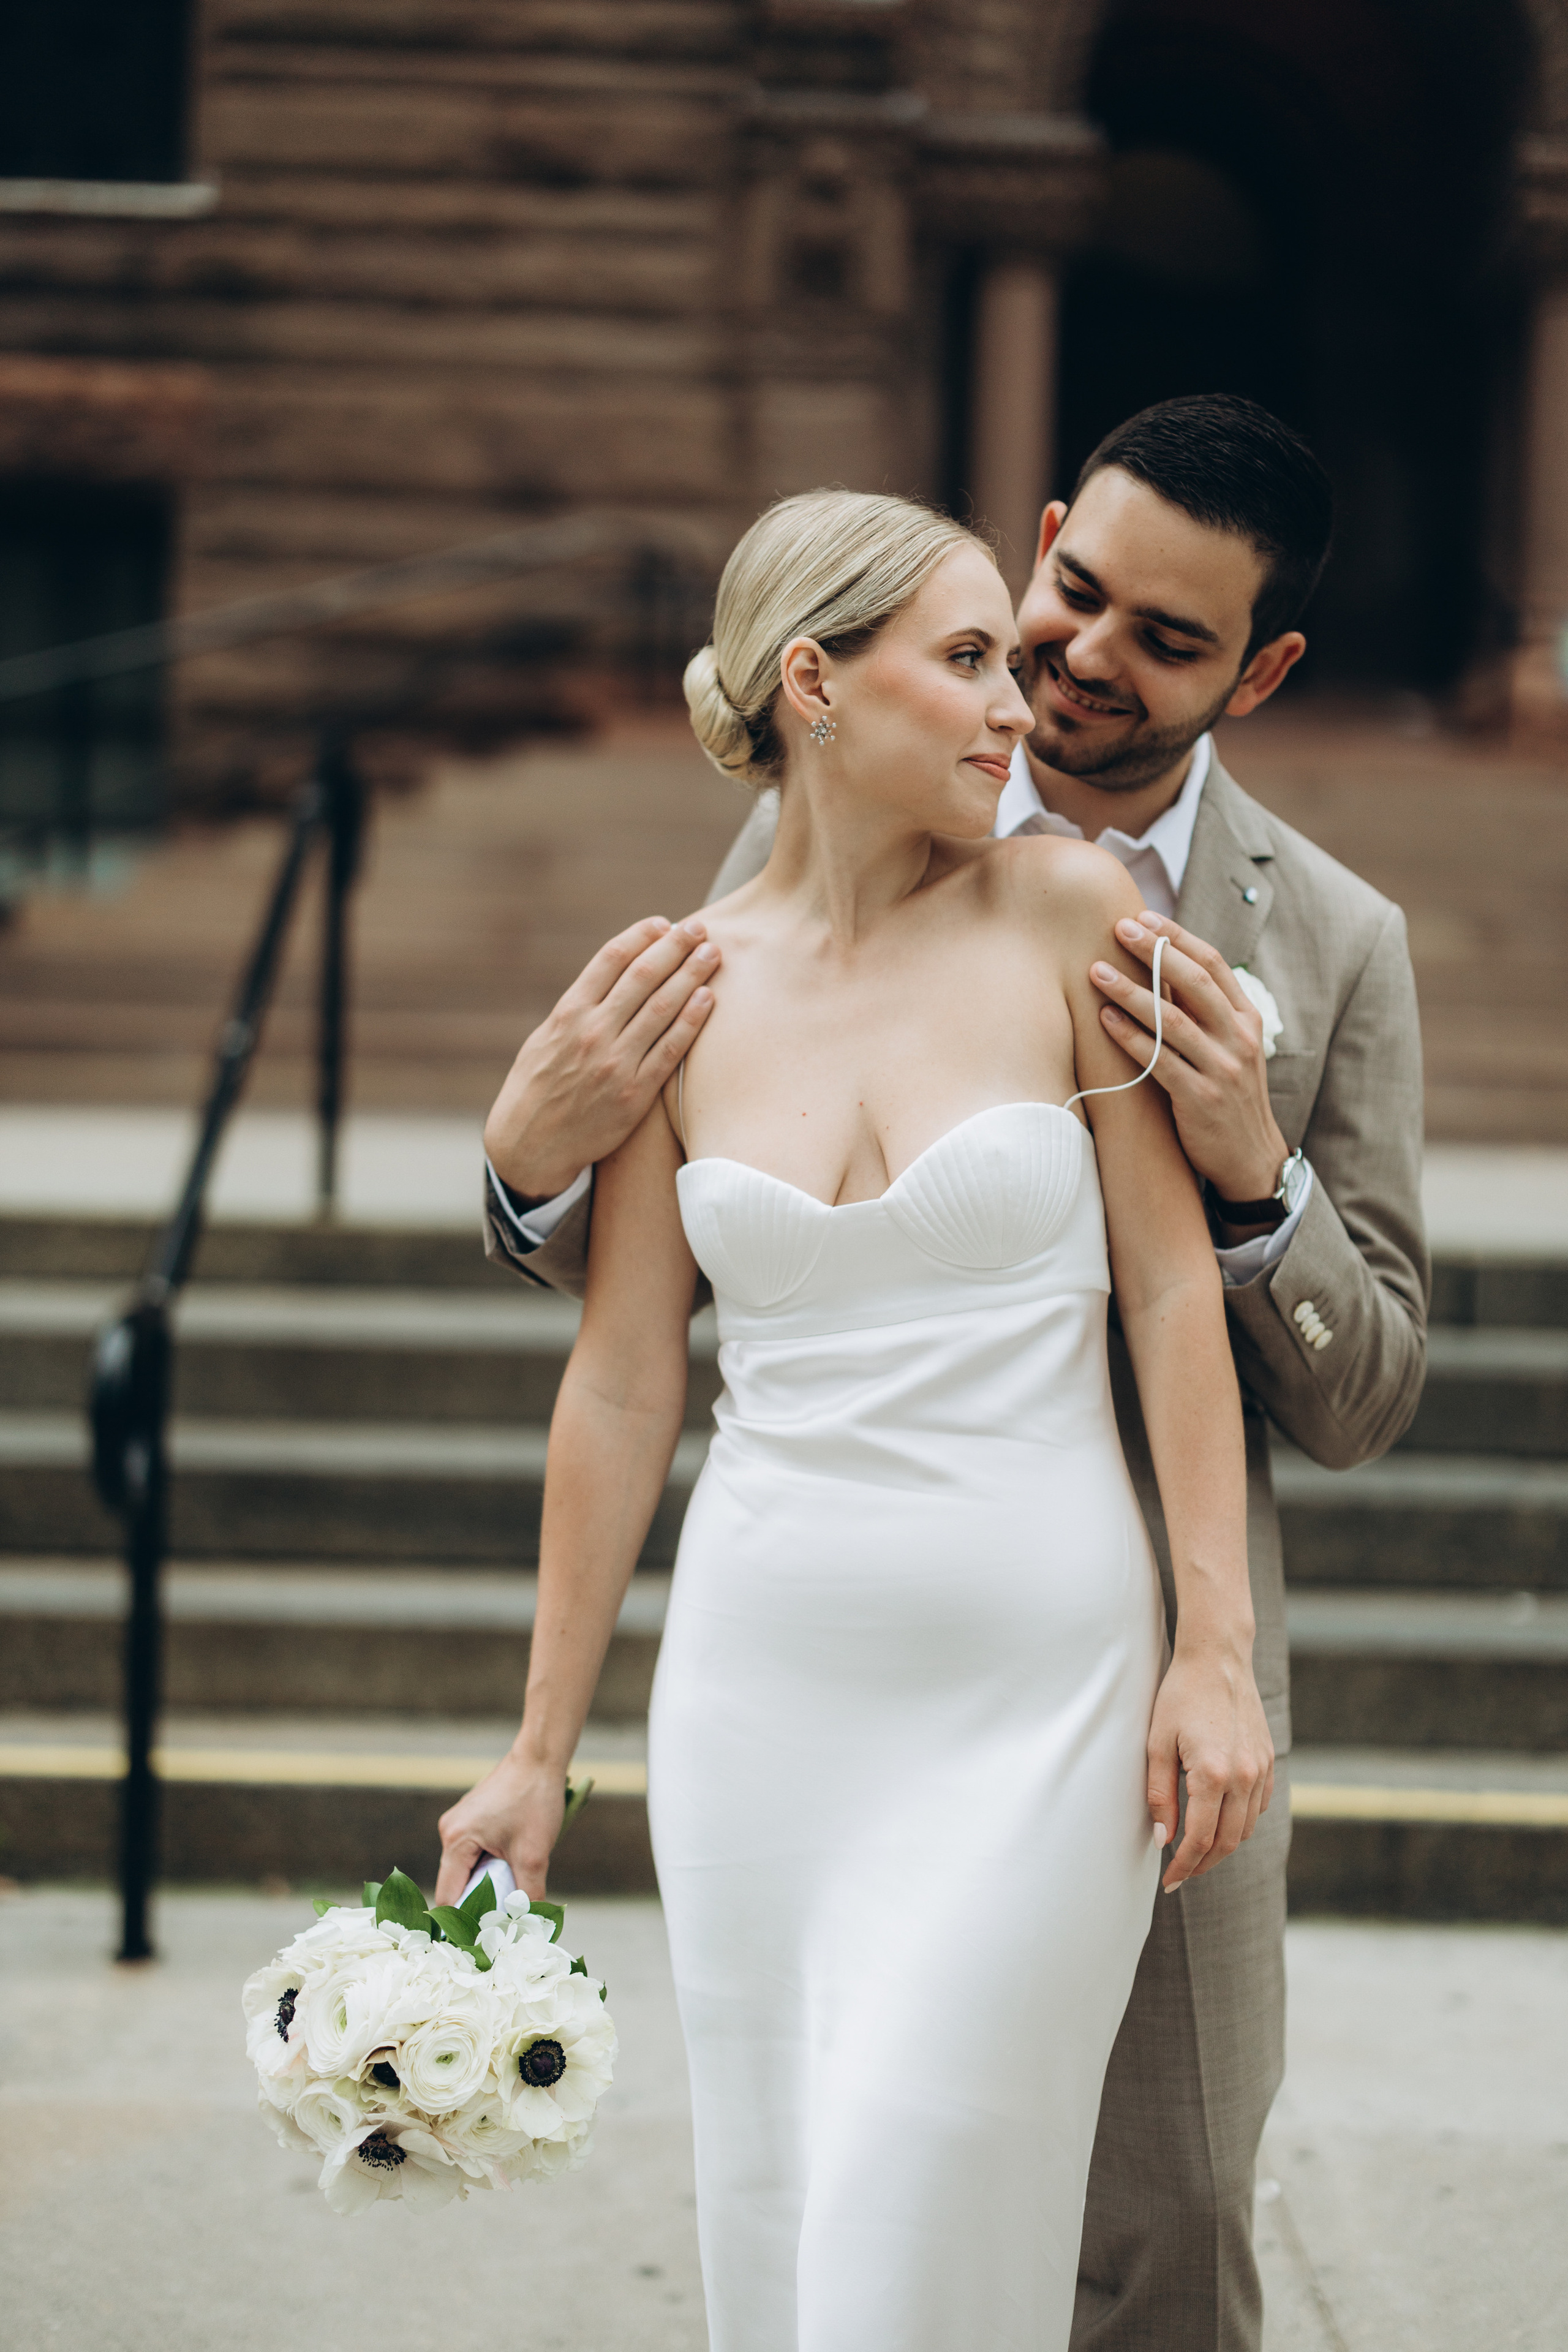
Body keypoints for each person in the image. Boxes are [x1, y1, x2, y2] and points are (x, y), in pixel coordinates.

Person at [459, 396, 1430, 2349]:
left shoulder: (1314, 935)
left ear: (1260, 672)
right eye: (1065, 600)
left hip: (1110, 1668)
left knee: (1168, 2219)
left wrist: (1258, 1177)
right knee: (815, 2215)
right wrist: (521, 1156)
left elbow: (1346, 1377)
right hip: (780, 1669)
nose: (1068, 665)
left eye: (1167, 638)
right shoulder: (761, 881)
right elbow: (642, 1332)